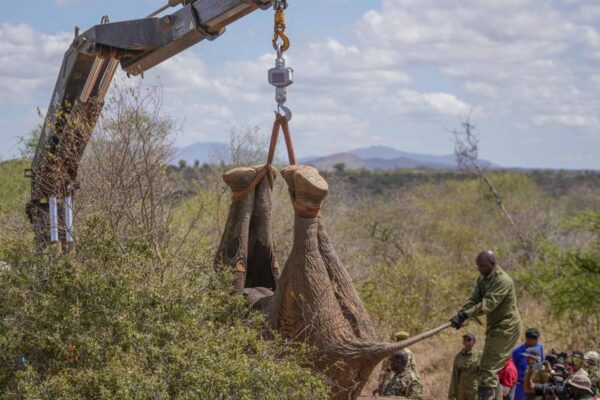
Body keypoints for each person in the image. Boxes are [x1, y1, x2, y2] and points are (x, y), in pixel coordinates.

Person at [450, 251, 522, 400]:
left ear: (493, 263)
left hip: (506, 327)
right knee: (488, 368)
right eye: (478, 266)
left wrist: (465, 315)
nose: (480, 269)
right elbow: (474, 300)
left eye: (482, 266)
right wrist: (461, 314)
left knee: (488, 370)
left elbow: (488, 304)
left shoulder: (503, 281)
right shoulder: (483, 279)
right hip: (494, 327)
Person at [512, 328, 545, 400]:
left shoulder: (540, 347)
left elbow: (542, 363)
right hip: (521, 385)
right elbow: (513, 369)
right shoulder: (517, 352)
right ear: (526, 339)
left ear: (538, 338)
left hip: (536, 384)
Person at [449, 333, 481, 400]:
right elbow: (454, 377)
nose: (466, 342)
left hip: (474, 390)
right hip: (461, 391)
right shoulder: (459, 356)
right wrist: (452, 395)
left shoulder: (479, 355)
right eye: (465, 340)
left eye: (469, 340)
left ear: (474, 342)